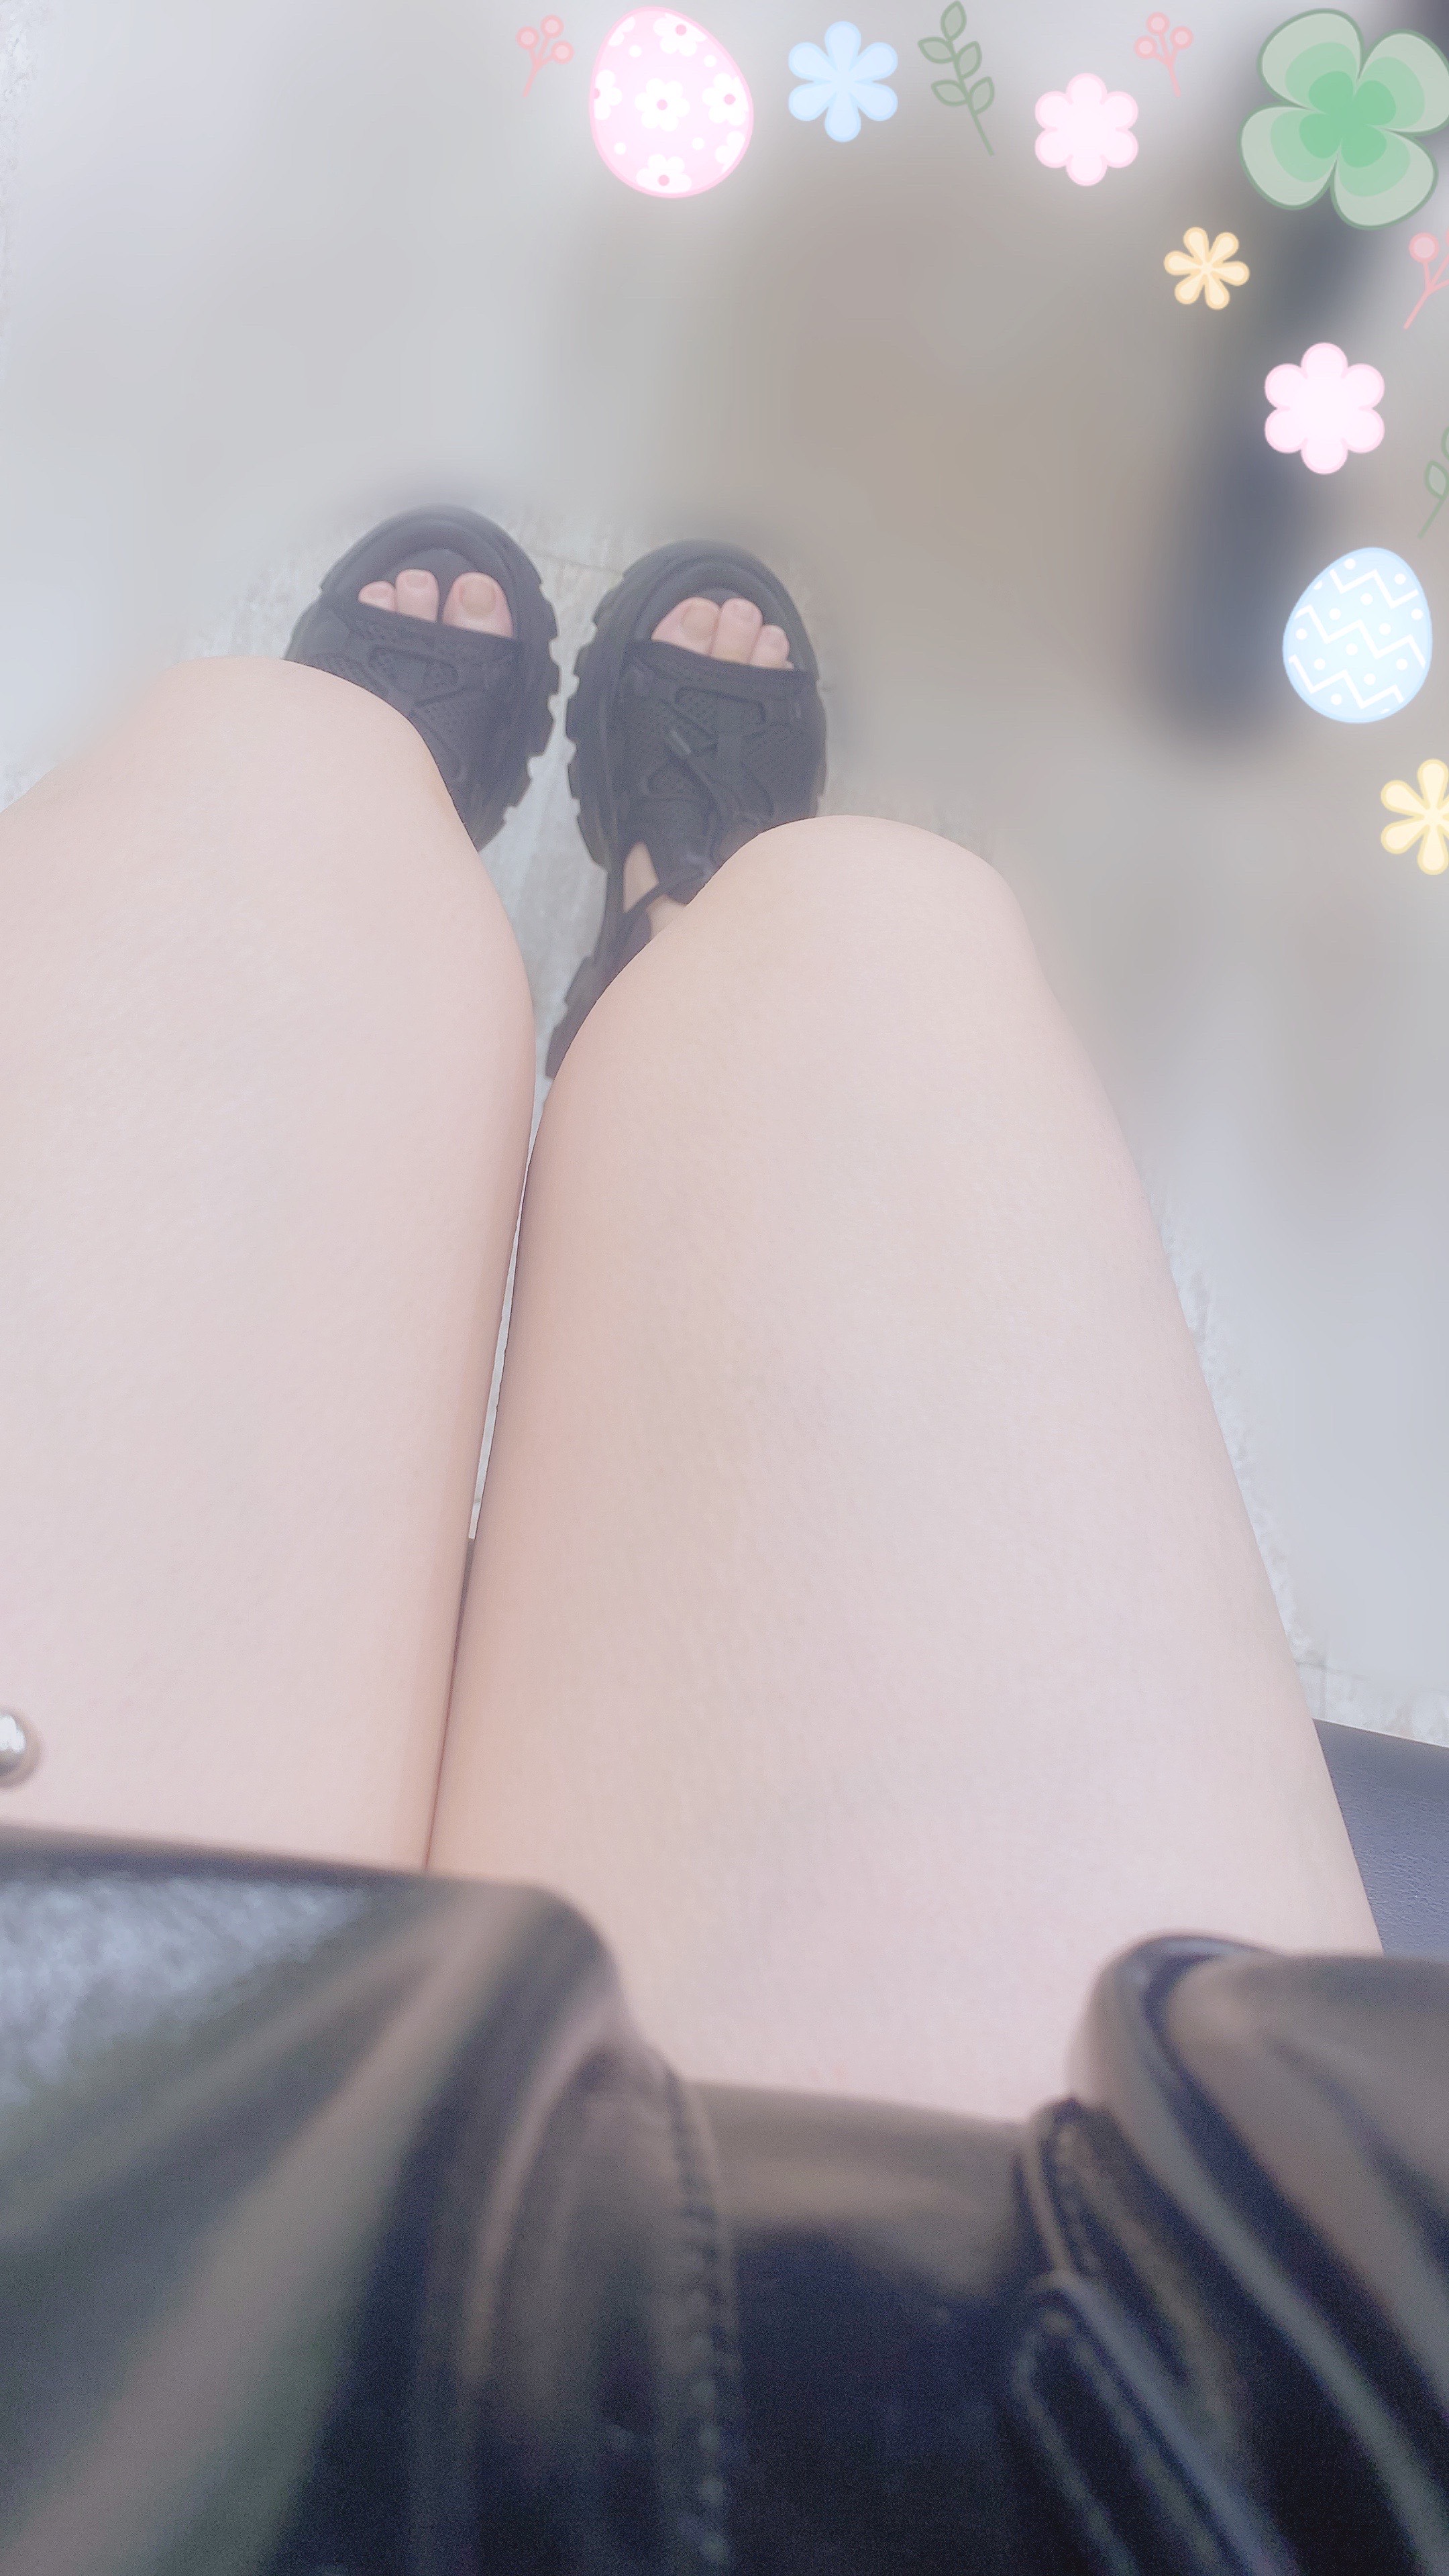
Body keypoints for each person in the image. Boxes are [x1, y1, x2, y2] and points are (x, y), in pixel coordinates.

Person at [2, 507, 1444, 2576]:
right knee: (877, 955)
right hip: (1113, 2409)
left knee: (249, 796)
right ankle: (680, 922)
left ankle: (394, 799)